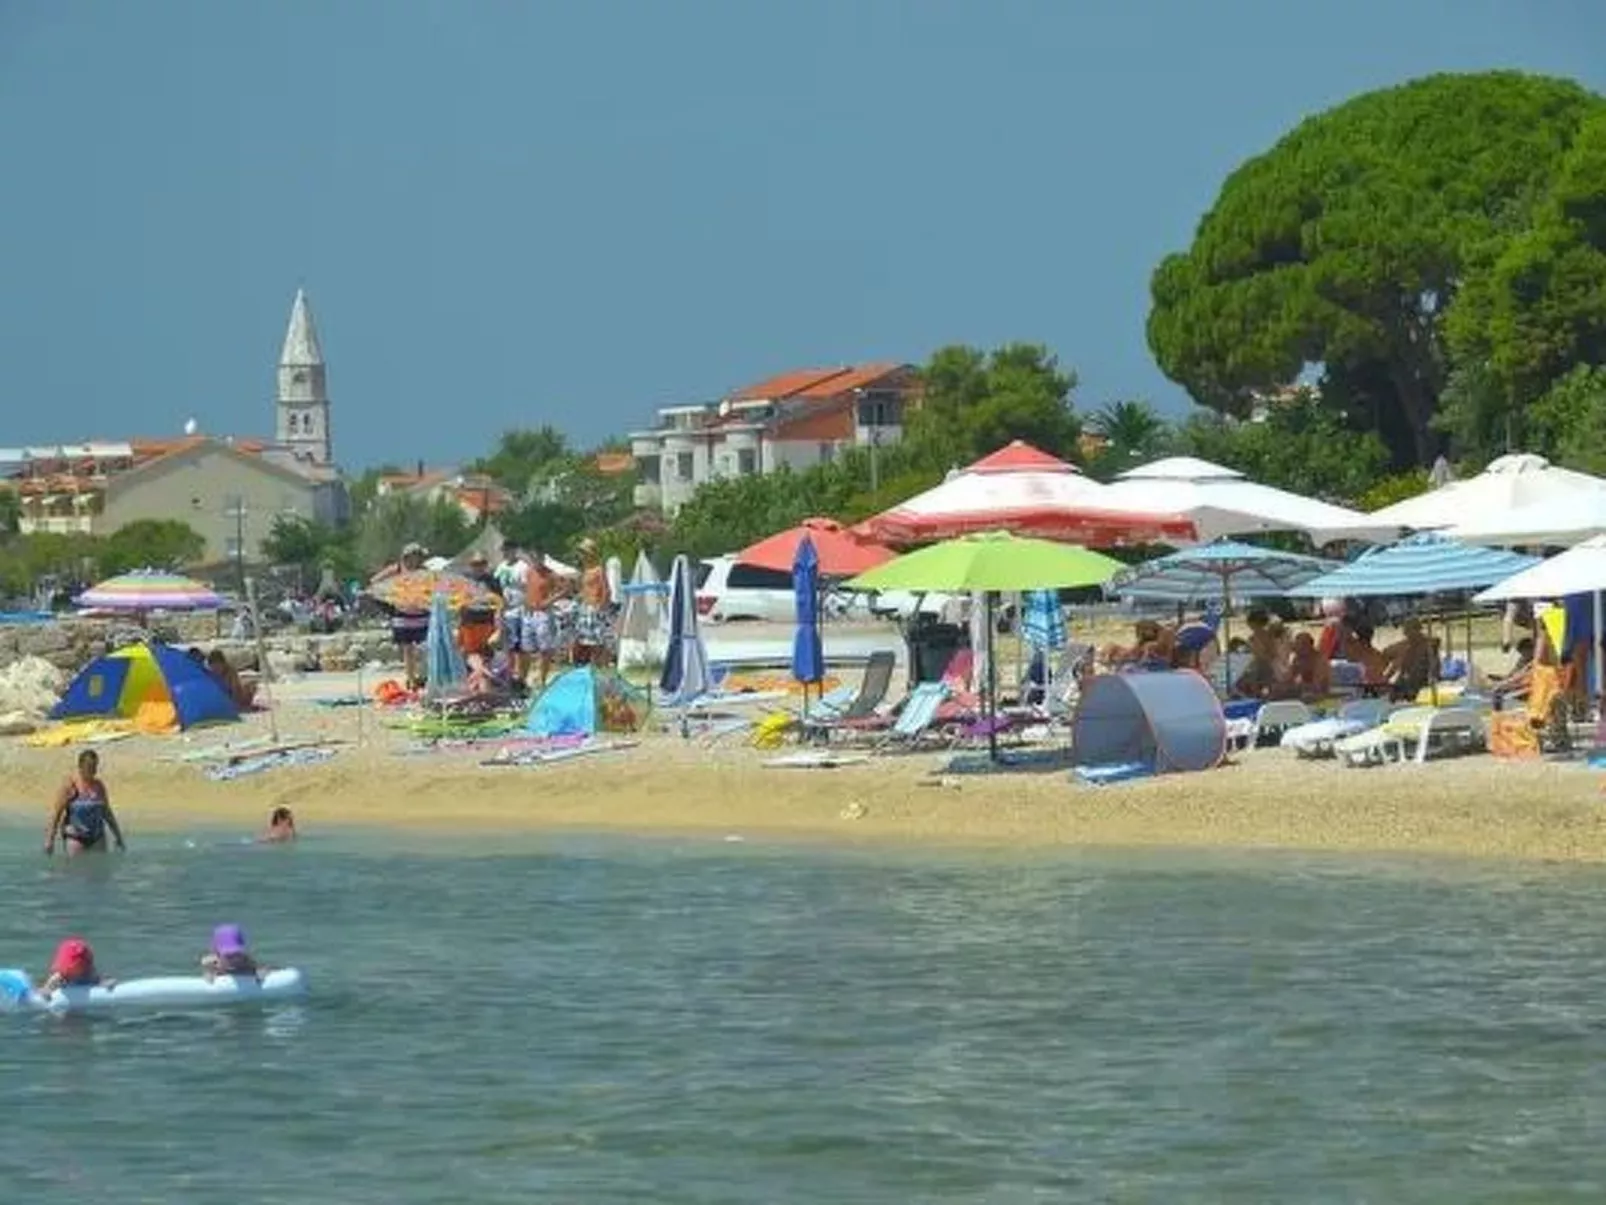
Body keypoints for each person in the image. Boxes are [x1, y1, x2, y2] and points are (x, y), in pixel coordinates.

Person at [44, 750, 125, 856]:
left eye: (95, 766)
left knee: (100, 871)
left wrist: (118, 836)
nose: (94, 771)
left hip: (98, 837)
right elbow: (56, 814)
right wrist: (50, 840)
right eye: (90, 767)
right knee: (75, 871)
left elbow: (106, 812)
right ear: (80, 766)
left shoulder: (99, 786)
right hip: (75, 837)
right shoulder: (70, 786)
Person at [386, 542, 431, 688]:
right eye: (414, 555)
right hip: (402, 614)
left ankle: (422, 675)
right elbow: (376, 581)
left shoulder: (425, 571)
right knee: (407, 649)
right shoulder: (397, 569)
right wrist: (392, 595)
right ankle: (411, 679)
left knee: (424, 647)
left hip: (421, 614)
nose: (417, 559)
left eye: (418, 556)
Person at [523, 549, 564, 688]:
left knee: (544, 648)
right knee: (527, 647)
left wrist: (550, 600)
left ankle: (542, 678)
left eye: (538, 558)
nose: (536, 560)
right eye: (533, 558)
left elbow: (566, 587)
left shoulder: (550, 574)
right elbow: (527, 589)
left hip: (544, 613)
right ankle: (526, 678)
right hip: (529, 613)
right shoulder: (529, 572)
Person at [494, 540, 531, 687]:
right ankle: (509, 676)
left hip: (520, 609)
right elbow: (497, 588)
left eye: (509, 550)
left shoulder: (523, 567)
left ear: (515, 550)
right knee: (508, 647)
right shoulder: (501, 567)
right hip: (506, 611)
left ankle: (522, 678)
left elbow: (528, 589)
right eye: (504, 550)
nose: (506, 553)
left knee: (522, 647)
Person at [572, 539, 614, 667]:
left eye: (583, 553)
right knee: (586, 641)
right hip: (585, 607)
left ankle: (600, 665)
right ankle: (592, 665)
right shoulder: (585, 571)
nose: (581, 556)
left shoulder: (598, 570)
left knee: (597, 642)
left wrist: (600, 607)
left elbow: (607, 590)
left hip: (595, 608)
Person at [38, 937, 114, 994]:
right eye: (70, 967)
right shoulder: (60, 976)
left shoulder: (89, 973)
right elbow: (45, 990)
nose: (72, 969)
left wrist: (107, 984)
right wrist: (46, 991)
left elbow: (101, 981)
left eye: (78, 966)